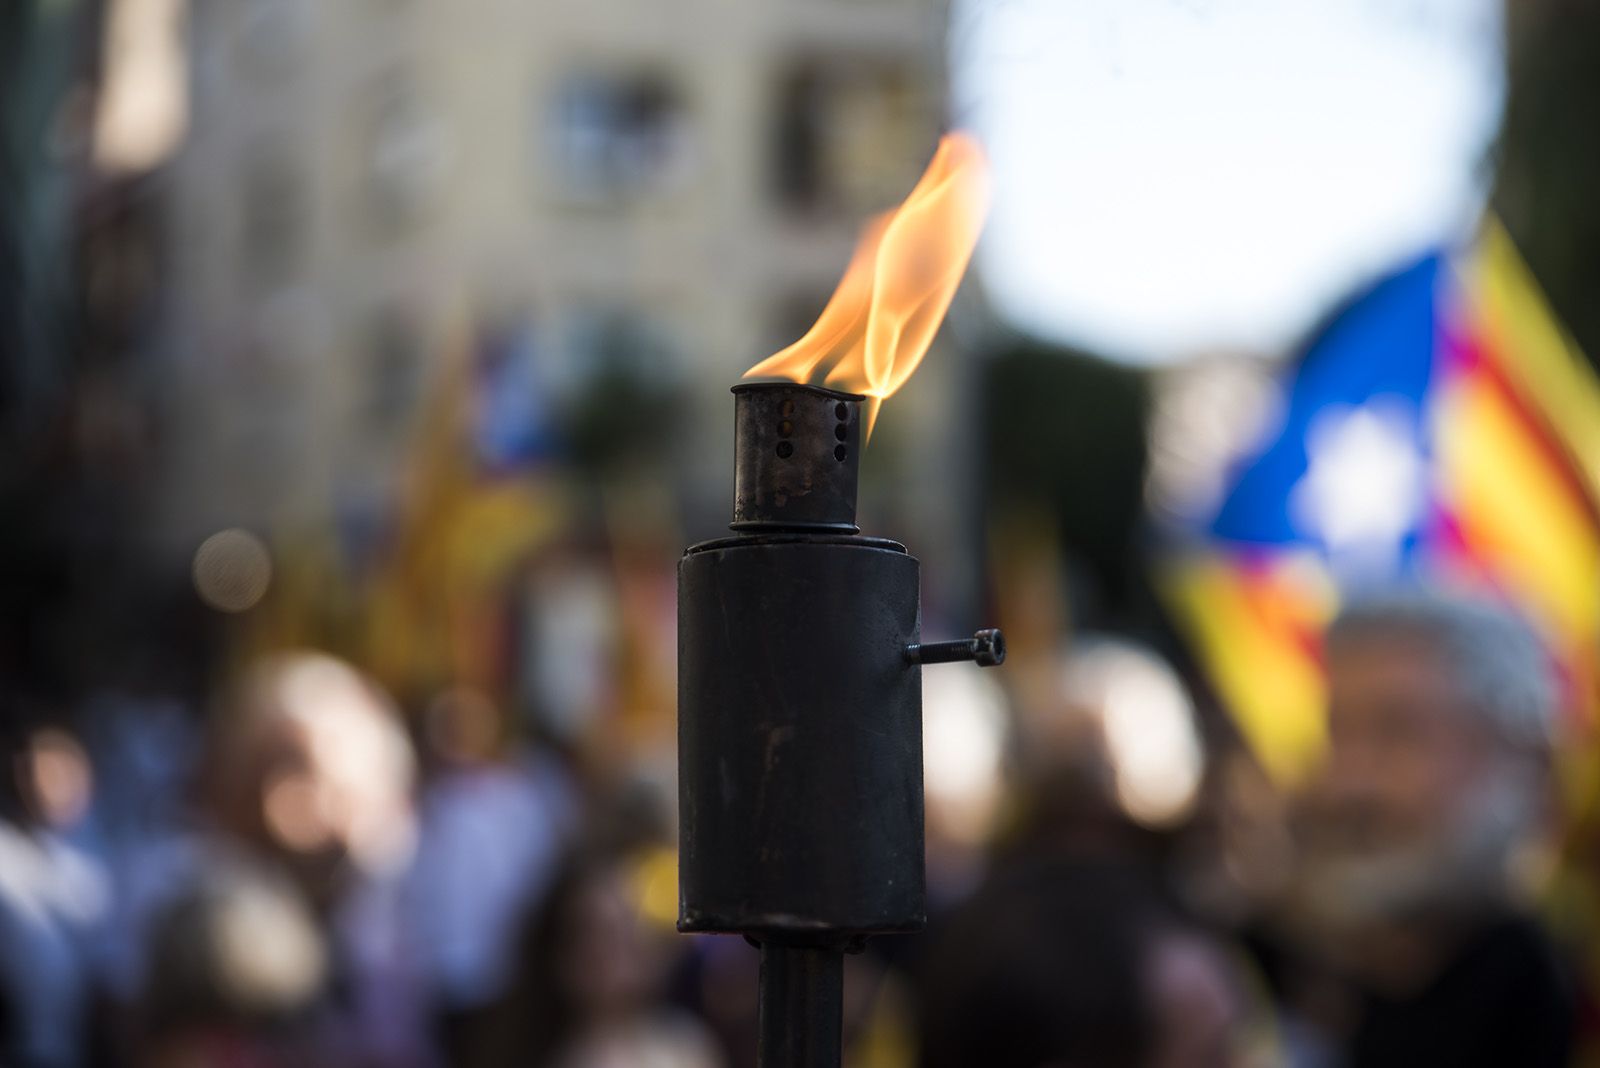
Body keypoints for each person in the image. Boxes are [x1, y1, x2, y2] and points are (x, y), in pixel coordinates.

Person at [1284, 591, 1572, 1066]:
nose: (1349, 784)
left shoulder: (1566, 1010)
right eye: (1337, 733)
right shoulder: (1302, 998)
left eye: (1398, 733)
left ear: (1523, 759)